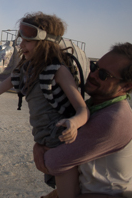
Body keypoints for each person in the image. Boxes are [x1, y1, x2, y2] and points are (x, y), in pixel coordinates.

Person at [0, 12, 89, 189]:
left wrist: (73, 123)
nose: (21, 45)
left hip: (62, 145)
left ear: (46, 43)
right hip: (44, 142)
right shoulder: (25, 70)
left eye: (28, 41)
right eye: (20, 39)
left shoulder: (58, 70)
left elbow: (83, 109)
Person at [34, 42, 132, 198]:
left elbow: (55, 161)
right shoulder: (97, 106)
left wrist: (39, 148)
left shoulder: (114, 119)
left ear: (126, 86)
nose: (92, 75)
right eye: (94, 67)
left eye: (103, 75)